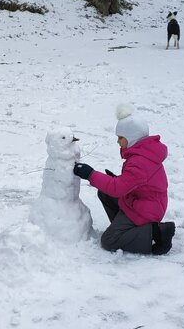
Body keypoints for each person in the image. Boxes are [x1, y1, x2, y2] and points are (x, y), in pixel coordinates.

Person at [72, 105, 175, 255]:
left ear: (131, 138)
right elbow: (132, 183)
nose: (118, 142)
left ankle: (156, 233)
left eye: (121, 138)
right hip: (141, 201)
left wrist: (90, 174)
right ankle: (129, 230)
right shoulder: (144, 152)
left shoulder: (139, 162)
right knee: (106, 192)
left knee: (109, 240)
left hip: (147, 209)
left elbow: (118, 188)